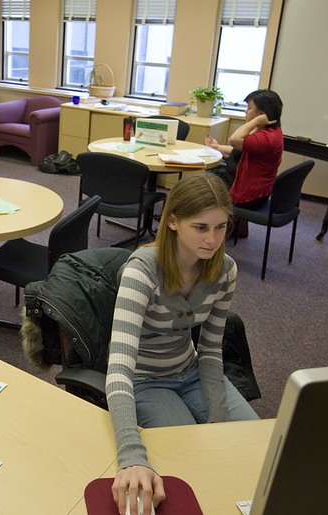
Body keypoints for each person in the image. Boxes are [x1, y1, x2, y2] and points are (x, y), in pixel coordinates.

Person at [105, 172, 258, 515]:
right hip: (145, 380)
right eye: (201, 227)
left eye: (221, 227)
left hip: (189, 370)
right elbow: (119, 367)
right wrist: (130, 456)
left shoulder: (225, 271)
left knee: (252, 444)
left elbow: (211, 348)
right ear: (172, 221)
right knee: (192, 462)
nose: (213, 239)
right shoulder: (141, 271)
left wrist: (218, 416)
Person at [206, 89, 284, 210]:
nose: (245, 111)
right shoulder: (268, 131)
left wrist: (255, 121)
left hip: (249, 196)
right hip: (254, 189)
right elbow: (240, 148)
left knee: (197, 187)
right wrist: (217, 147)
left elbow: (234, 140)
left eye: (249, 108)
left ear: (262, 114)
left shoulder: (266, 138)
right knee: (208, 177)